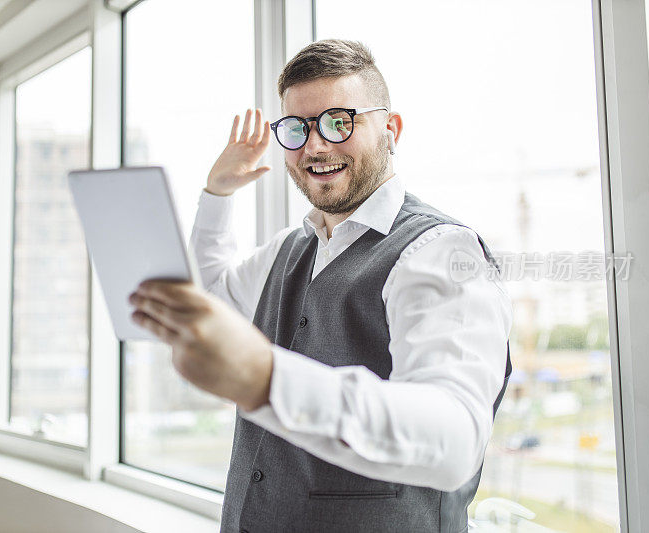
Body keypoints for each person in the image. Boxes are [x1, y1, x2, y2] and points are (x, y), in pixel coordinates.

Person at [128, 39, 512, 533]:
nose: (315, 146)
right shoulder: (290, 248)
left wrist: (266, 379)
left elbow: (454, 439)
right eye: (297, 128)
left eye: (339, 121)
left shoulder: (440, 251)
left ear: (390, 129)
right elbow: (211, 305)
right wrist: (217, 195)